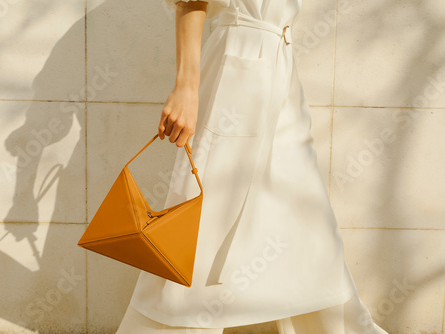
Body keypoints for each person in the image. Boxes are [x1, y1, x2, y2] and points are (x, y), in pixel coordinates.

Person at [116, 0, 390, 333]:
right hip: (237, 75)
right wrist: (186, 87)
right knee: (209, 213)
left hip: (282, 75)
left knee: (306, 212)